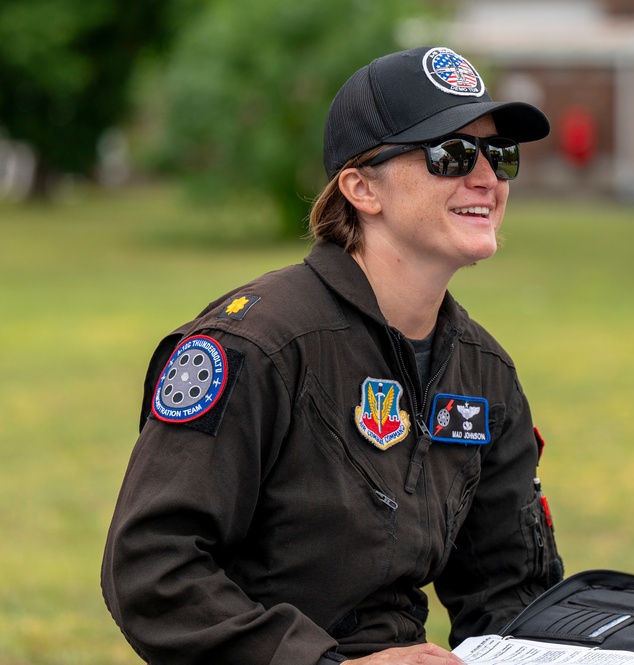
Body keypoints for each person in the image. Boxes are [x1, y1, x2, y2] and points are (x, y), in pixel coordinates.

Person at [101, 45, 563, 665]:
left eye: (498, 155)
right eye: (450, 154)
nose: (485, 177)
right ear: (361, 187)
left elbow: (511, 591)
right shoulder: (255, 346)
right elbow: (152, 568)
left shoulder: (484, 372)